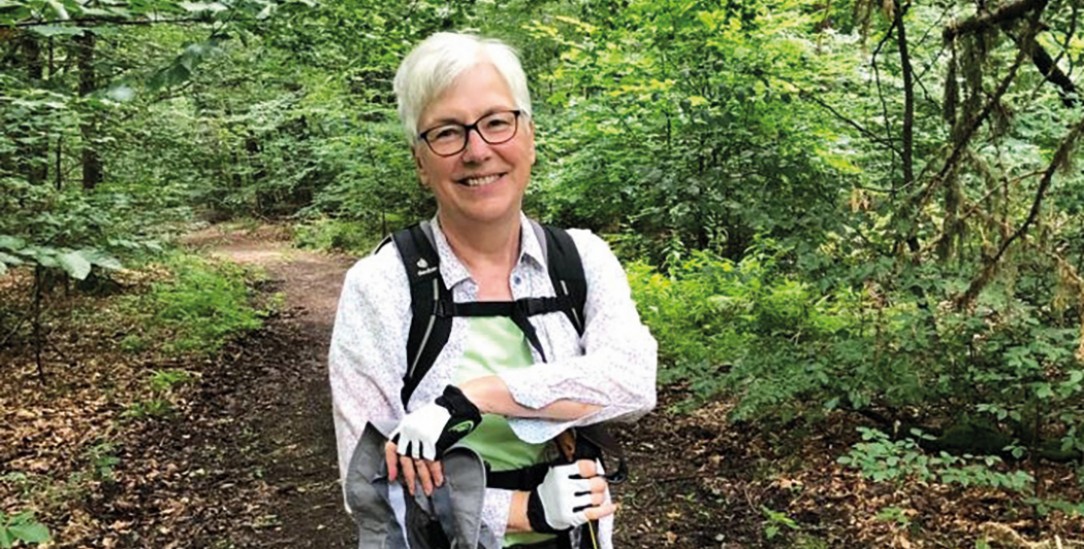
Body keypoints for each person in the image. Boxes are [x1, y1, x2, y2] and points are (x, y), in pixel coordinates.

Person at [329, 31, 657, 549]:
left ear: (529, 136)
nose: (478, 151)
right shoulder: (381, 285)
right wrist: (527, 511)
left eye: (497, 123)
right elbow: (371, 481)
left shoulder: (581, 261)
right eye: (446, 132)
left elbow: (634, 383)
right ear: (420, 160)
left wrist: (470, 399)